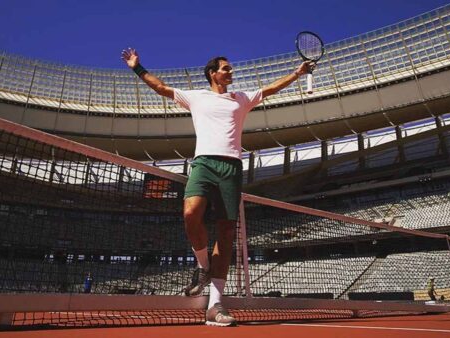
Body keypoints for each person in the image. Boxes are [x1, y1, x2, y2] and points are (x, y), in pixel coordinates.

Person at [121, 48, 314, 327]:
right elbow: (161, 87)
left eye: (230, 68)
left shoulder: (242, 98)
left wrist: (297, 73)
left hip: (231, 167)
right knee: (190, 213)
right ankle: (203, 266)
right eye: (226, 68)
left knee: (225, 233)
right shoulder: (196, 97)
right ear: (213, 73)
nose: (231, 71)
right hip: (203, 164)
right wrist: (137, 67)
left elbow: (271, 89)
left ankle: (215, 305)